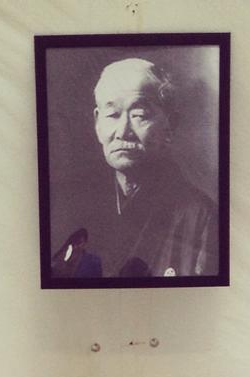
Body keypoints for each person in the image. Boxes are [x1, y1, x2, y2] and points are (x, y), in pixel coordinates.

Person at [50, 57, 219, 279]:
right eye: (112, 115)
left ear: (170, 125)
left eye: (139, 115)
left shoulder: (202, 216)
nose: (123, 131)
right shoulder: (69, 205)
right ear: (98, 124)